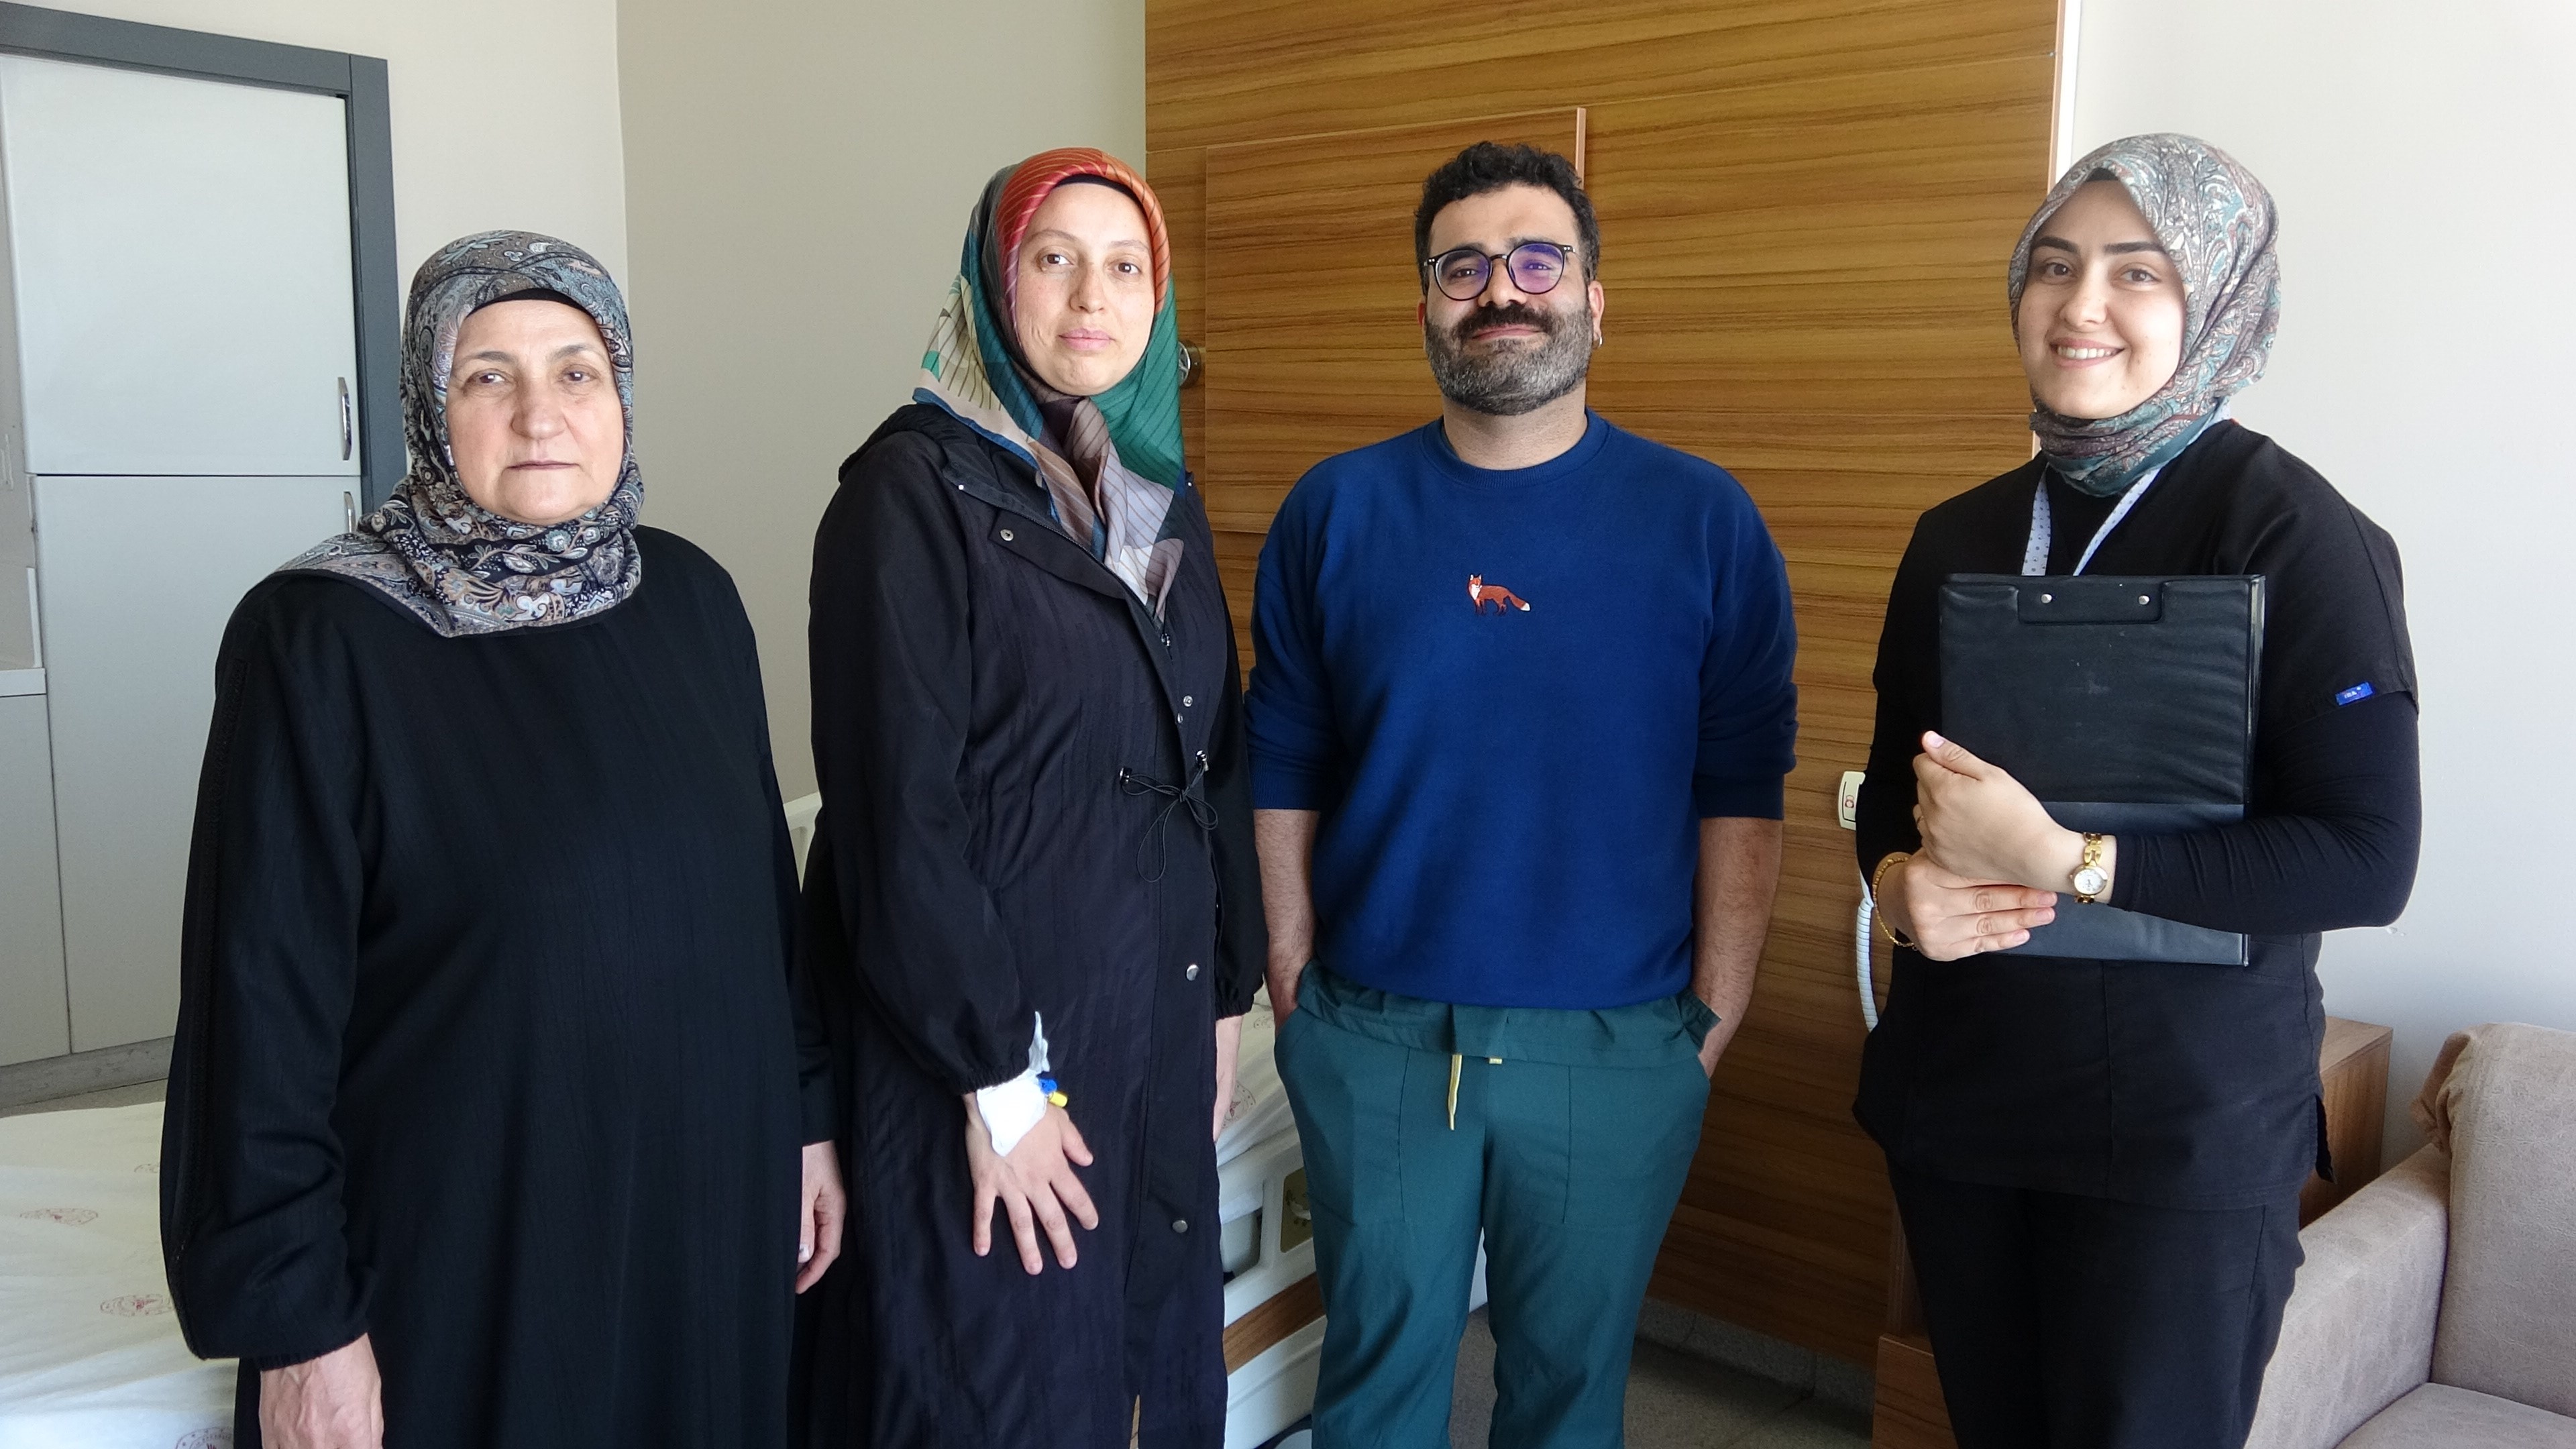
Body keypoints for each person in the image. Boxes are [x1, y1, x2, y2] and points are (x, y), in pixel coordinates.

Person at [160, 231, 843, 1449]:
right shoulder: (318, 640)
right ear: (430, 403)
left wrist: (804, 1118)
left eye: (576, 372)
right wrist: (299, 1328)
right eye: (489, 376)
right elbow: (258, 1012)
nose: (540, 414)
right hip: (474, 1256)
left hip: (706, 1216)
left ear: (620, 393)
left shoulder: (692, 598)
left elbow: (761, 904)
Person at [1854, 135, 2421, 1449]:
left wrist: (2072, 860)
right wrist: (1896, 886)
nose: (2082, 305)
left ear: (2216, 301)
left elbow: (2366, 855)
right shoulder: (1957, 534)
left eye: (2137, 272)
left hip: (2178, 1140)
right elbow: (1889, 788)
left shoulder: (2296, 534)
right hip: (1967, 1109)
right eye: (2053, 266)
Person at [1247, 142, 1799, 1447]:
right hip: (1376, 1035)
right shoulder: (1336, 510)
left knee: (1567, 1395)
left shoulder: (1704, 520)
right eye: (1465, 267)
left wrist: (1707, 1025)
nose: (1502, 290)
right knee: (1373, 1389)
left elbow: (1741, 791)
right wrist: (1293, 977)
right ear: (1427, 307)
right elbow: (1284, 759)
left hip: (1619, 1043)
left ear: (1595, 299)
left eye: (1537, 260)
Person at [795, 149, 1264, 1447]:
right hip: (987, 1049)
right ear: (996, 285)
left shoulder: (1157, 501)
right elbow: (897, 823)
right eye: (1054, 260)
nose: (1091, 298)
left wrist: (1223, 996)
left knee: (1136, 1370)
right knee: (993, 1381)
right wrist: (1001, 1083)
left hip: (1147, 1015)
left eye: (1125, 267)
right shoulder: (905, 496)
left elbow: (1213, 760)